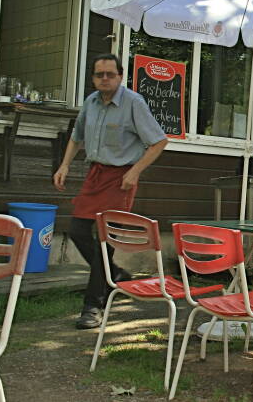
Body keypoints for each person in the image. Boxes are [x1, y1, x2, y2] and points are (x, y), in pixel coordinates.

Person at [53, 53, 168, 329]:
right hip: (95, 174)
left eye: (110, 74)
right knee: (78, 230)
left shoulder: (133, 103)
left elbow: (159, 142)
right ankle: (113, 273)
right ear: (93, 77)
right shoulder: (91, 103)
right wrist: (64, 166)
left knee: (105, 242)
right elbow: (76, 137)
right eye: (99, 74)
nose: (104, 79)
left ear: (120, 76)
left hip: (121, 179)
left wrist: (135, 171)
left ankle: (93, 306)